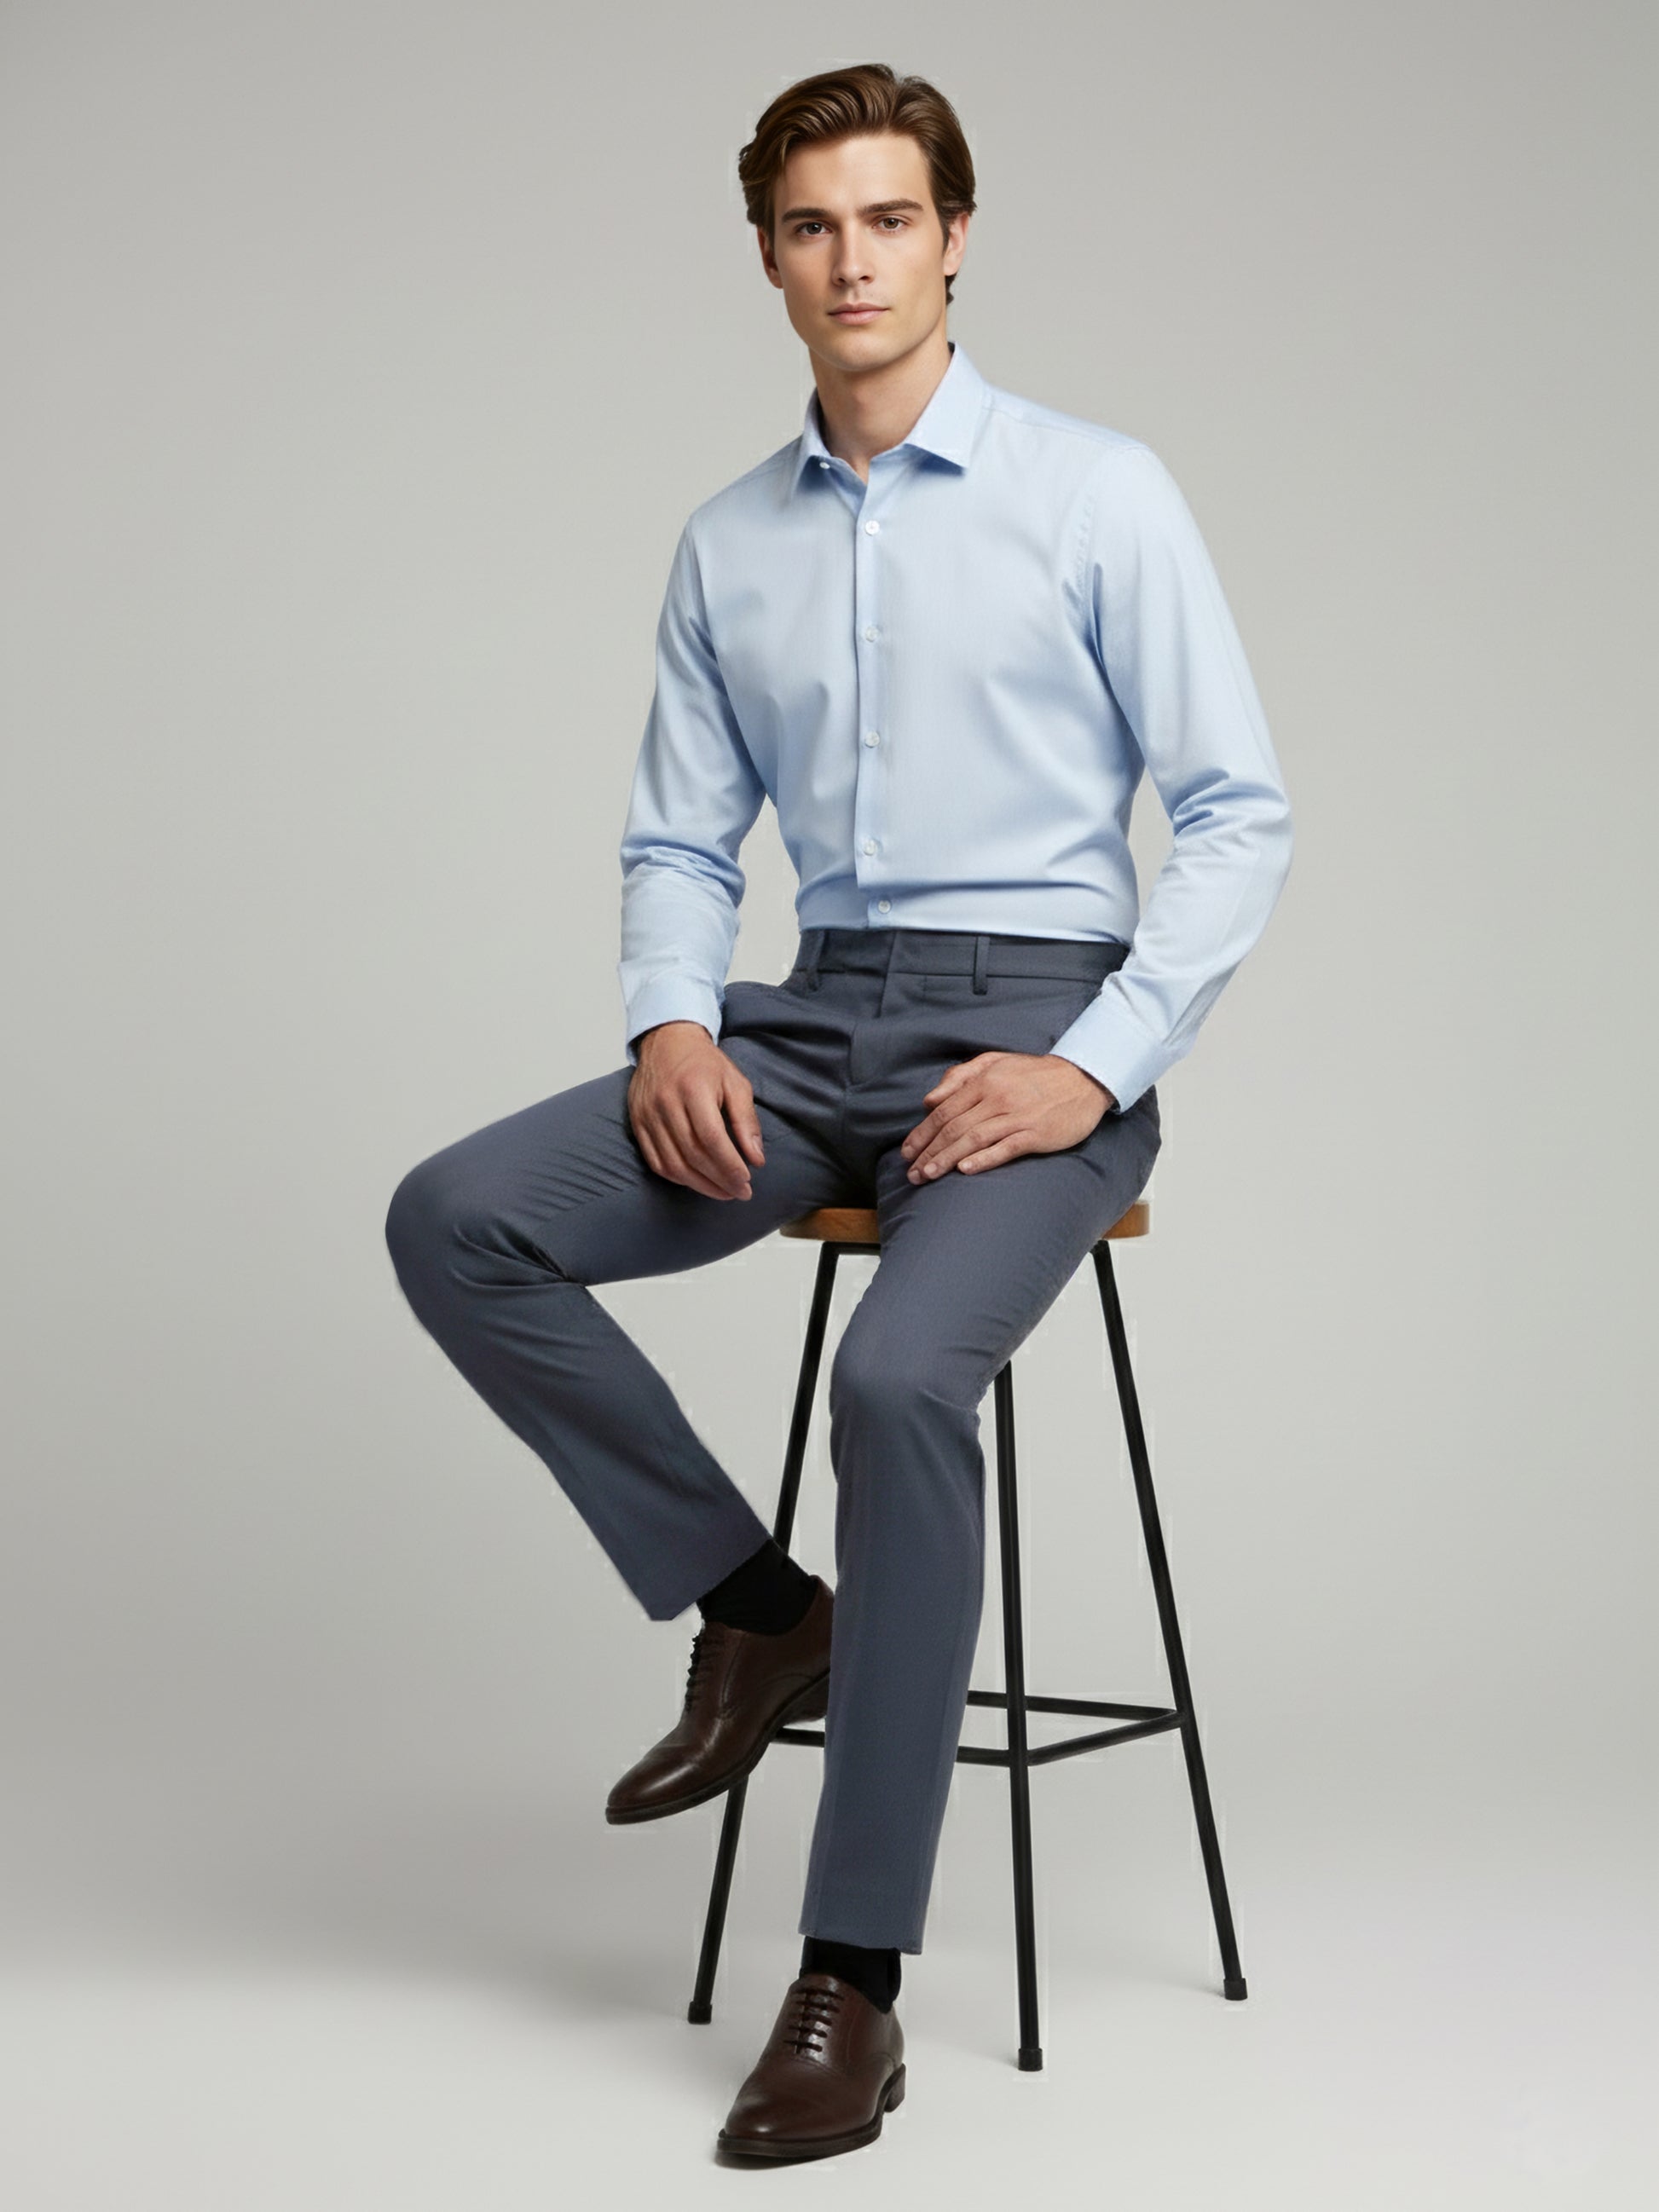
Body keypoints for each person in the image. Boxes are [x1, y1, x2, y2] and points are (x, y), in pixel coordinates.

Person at [384, 60, 1293, 2164]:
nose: (852, 260)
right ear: (768, 257)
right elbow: (677, 838)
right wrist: (668, 1020)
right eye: (812, 226)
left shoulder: (1096, 491)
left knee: (894, 1380)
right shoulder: (730, 541)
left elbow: (1238, 814)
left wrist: (1094, 1061)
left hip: (1037, 1032)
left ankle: (851, 1977)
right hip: (807, 1024)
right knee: (456, 1216)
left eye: (889, 219)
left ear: (955, 238)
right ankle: (753, 1605)